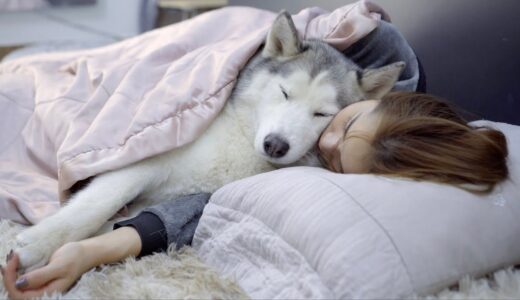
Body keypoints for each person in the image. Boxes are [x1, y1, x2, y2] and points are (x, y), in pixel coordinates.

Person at [1, 91, 509, 298]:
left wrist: (90, 249)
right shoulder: (385, 64)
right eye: (349, 118)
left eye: (334, 159)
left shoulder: (325, 183)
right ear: (384, 92)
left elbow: (206, 209)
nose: (326, 138)